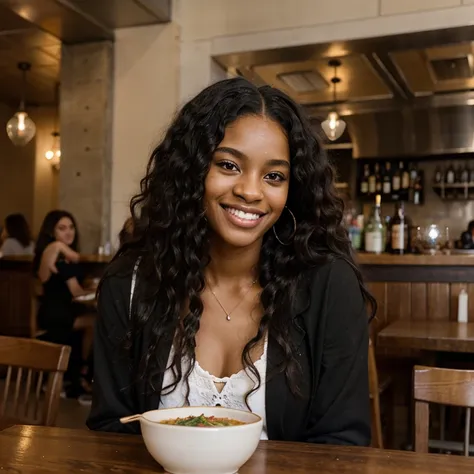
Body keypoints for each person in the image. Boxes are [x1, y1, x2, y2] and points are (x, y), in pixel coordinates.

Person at [87, 78, 375, 445]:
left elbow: (342, 444)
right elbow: (111, 430)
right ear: (191, 171)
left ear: (292, 189)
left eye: (274, 176)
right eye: (228, 165)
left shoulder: (329, 286)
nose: (251, 191)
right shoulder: (130, 281)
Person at [34, 210, 96, 401]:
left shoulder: (57, 254)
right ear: (52, 232)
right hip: (55, 314)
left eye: (71, 227)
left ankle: (80, 373)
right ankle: (84, 372)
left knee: (94, 318)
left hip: (62, 309)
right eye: (62, 228)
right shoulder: (54, 251)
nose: (69, 232)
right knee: (96, 322)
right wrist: (97, 291)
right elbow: (76, 292)